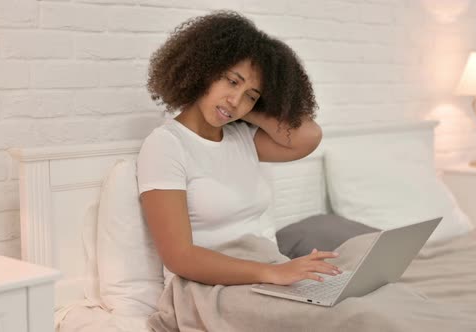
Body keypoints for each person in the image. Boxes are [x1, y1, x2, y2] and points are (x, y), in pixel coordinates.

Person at [136, 10, 342, 287]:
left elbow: (309, 136)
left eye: (251, 96)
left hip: (263, 274)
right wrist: (272, 273)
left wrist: (244, 108)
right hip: (204, 289)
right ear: (204, 70)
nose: (236, 100)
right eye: (232, 81)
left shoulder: (243, 138)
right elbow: (179, 257)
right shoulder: (166, 145)